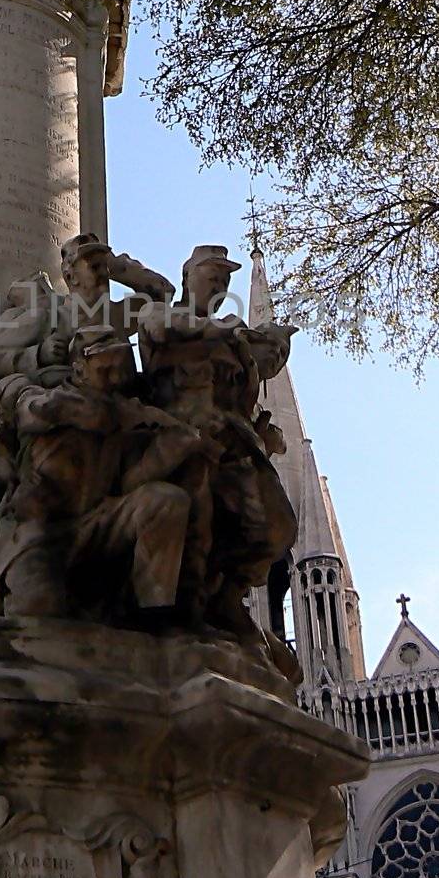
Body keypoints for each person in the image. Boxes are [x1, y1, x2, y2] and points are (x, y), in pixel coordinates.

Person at [0, 328, 210, 619]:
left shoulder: (123, 415)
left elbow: (131, 481)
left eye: (120, 367)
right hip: (38, 533)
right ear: (78, 366)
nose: (116, 378)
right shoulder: (39, 396)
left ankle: (155, 615)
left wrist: (171, 447)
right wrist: (117, 414)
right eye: (106, 367)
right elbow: (42, 410)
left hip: (98, 523)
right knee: (37, 612)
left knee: (166, 500)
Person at [138, 245, 298, 638]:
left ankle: (228, 598)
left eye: (225, 280)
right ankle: (190, 611)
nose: (220, 286)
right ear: (187, 276)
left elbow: (248, 384)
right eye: (212, 276)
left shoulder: (235, 341)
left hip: (237, 445)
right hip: (185, 440)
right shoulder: (161, 313)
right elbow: (164, 331)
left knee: (276, 528)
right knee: (199, 524)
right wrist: (228, 331)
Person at [0, 233, 172, 387]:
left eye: (106, 267)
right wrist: (39, 354)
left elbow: (163, 293)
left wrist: (120, 266)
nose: (104, 273)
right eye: (95, 267)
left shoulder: (118, 314)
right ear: (71, 277)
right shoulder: (47, 317)